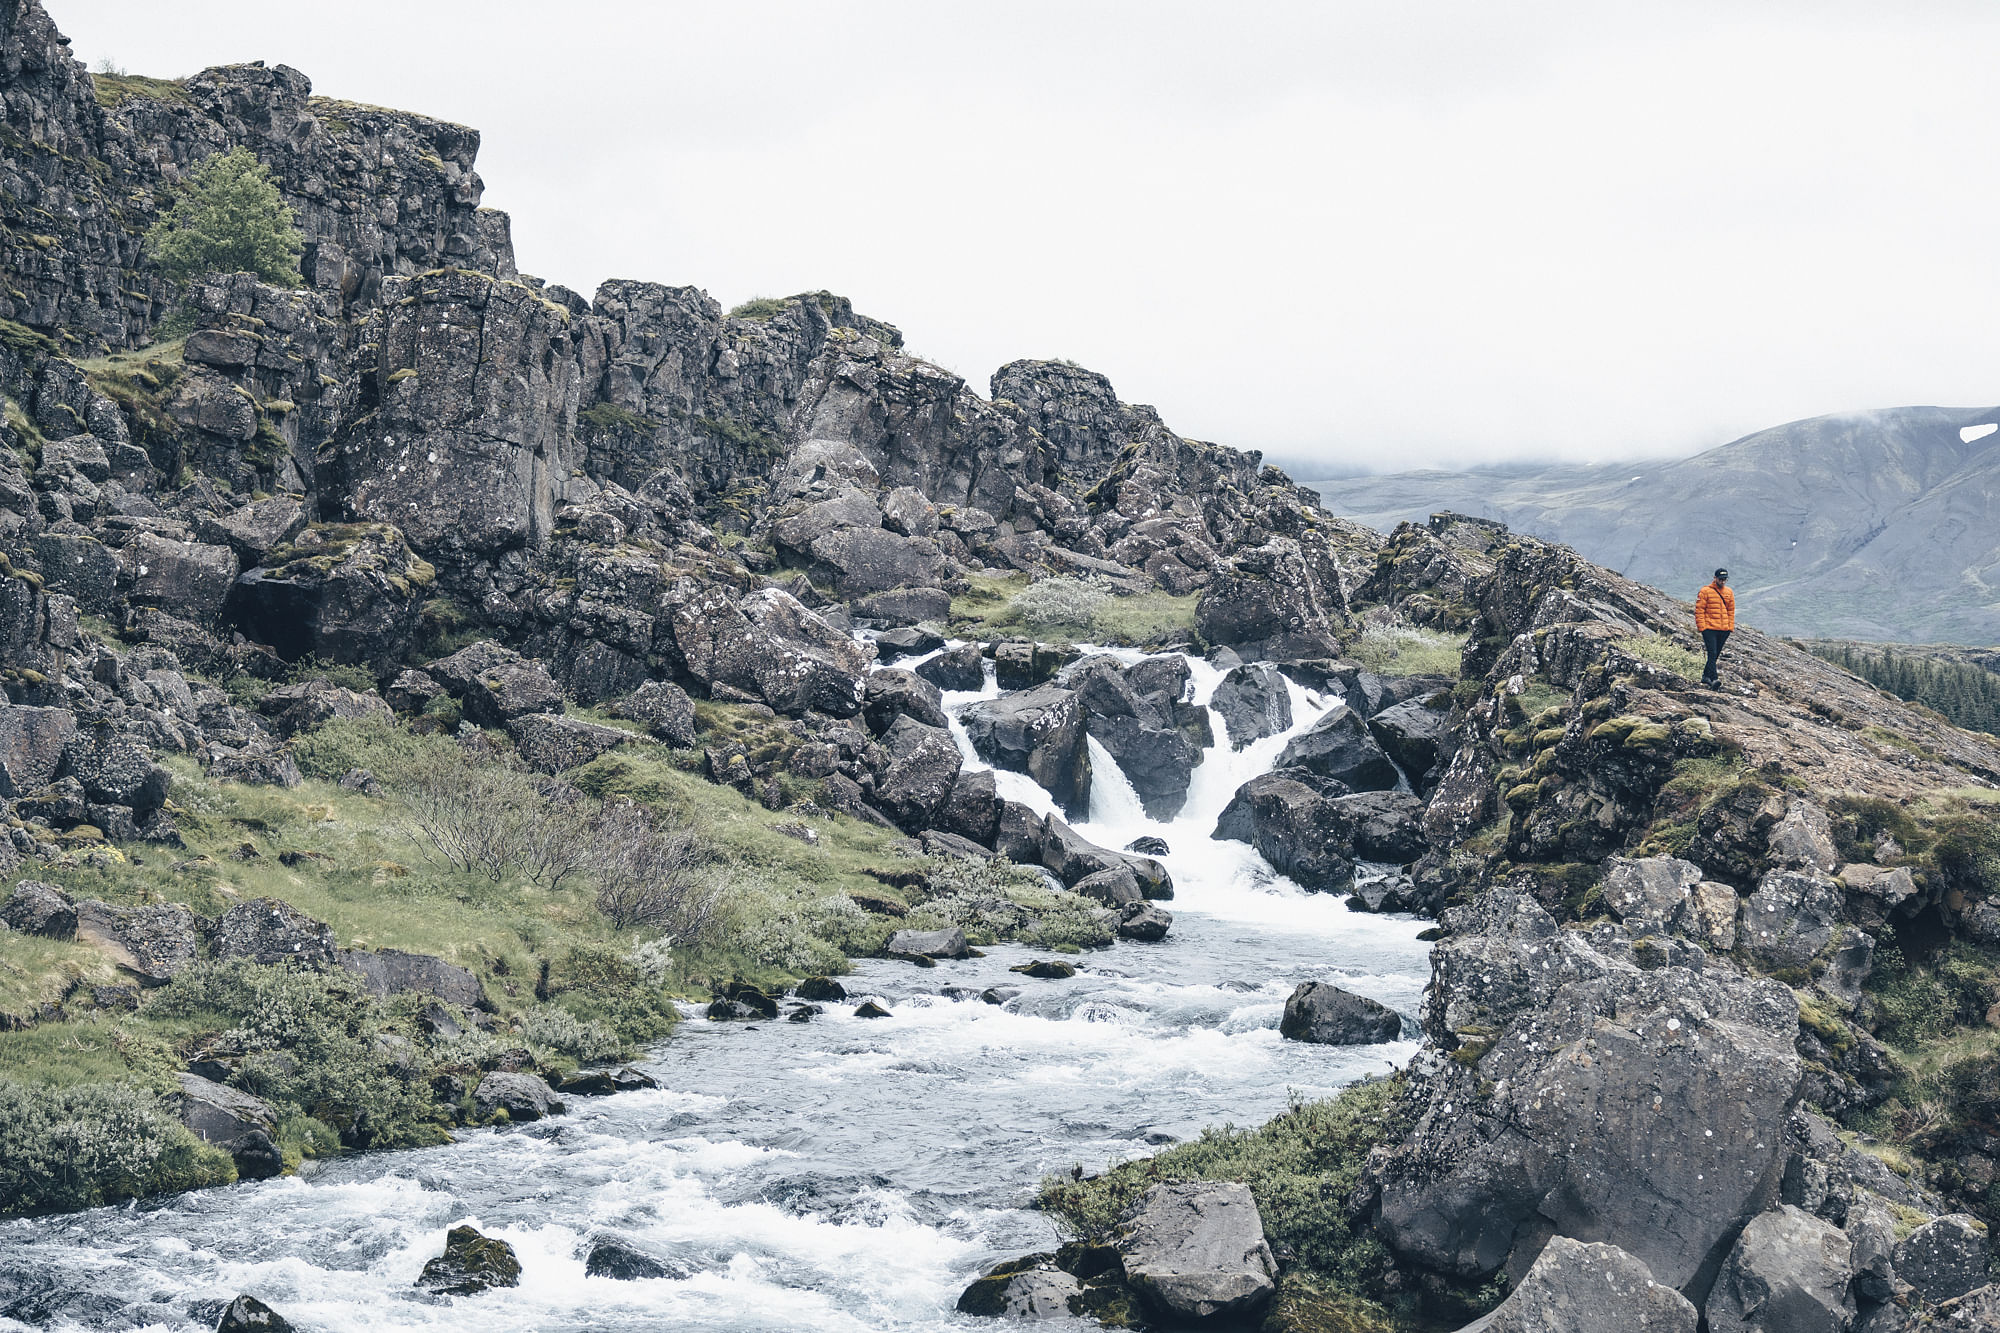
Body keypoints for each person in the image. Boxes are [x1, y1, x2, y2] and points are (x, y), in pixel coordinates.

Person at [1695, 568, 1735, 687]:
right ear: (1715, 578)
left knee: (1715, 654)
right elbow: (1699, 610)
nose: (1723, 581)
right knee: (1712, 653)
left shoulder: (1729, 592)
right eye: (1721, 579)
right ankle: (1714, 679)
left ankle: (1705, 677)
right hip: (1709, 629)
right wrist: (1702, 627)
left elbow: (1731, 610)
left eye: (1725, 579)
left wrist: (1730, 627)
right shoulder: (1705, 591)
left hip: (1724, 629)